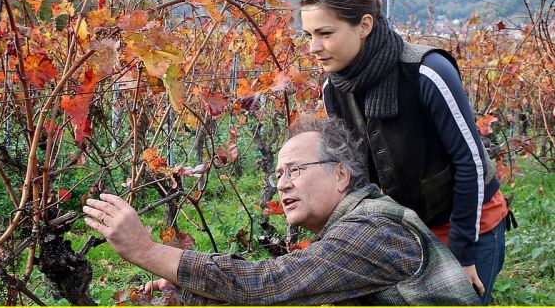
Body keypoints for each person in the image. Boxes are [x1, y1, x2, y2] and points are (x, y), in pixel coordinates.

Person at [83, 116, 480, 305]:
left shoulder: (373, 231)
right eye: (278, 174)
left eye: (295, 170)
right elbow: (291, 293)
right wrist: (190, 292)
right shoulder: (351, 231)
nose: (283, 183)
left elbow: (269, 284)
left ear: (341, 174)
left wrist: (146, 250)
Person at [299, 0, 509, 304]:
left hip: (467, 225)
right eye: (308, 34)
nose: (313, 47)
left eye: (325, 33)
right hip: (406, 230)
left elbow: (469, 163)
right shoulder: (334, 89)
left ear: (364, 25)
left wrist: (462, 256)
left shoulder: (426, 71)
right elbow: (354, 173)